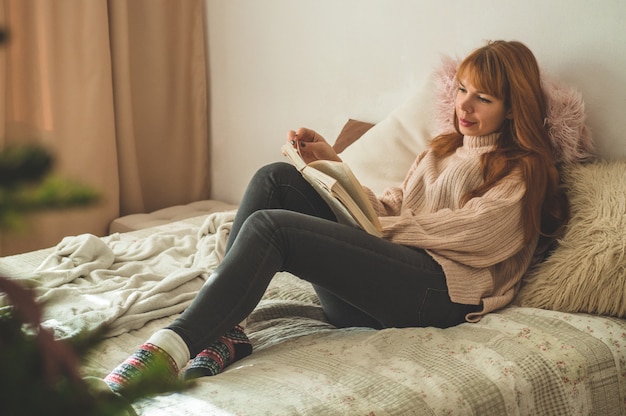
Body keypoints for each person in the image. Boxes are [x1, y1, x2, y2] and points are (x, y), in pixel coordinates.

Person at [104, 40, 569, 394]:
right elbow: (390, 207)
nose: (463, 106)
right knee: (277, 179)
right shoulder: (440, 150)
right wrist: (332, 167)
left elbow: (477, 234)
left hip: (439, 295)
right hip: (379, 291)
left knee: (273, 229)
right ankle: (226, 331)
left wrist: (376, 230)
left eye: (483, 98)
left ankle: (170, 347)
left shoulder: (524, 169)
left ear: (513, 108)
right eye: (462, 90)